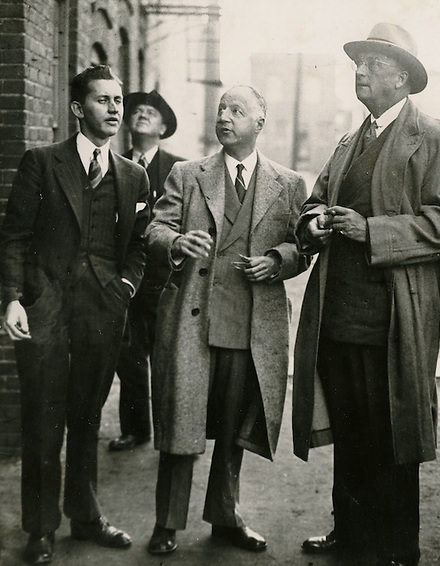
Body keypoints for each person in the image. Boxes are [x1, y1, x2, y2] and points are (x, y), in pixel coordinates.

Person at [292, 22, 440, 566]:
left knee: (391, 438)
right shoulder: (349, 141)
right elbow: (314, 202)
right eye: (357, 63)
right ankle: (350, 532)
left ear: (404, 78)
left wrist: (372, 230)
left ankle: (394, 549)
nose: (360, 71)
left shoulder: (433, 139)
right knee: (350, 433)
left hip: (394, 320)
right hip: (339, 316)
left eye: (373, 63)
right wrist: (313, 224)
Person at [144, 84, 308, 556]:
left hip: (250, 326)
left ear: (260, 122)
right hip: (194, 321)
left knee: (234, 427)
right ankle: (167, 522)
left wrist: (277, 260)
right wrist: (175, 243)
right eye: (221, 109)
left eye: (237, 110)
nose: (225, 116)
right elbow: (156, 227)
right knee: (182, 425)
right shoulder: (187, 173)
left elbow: (304, 250)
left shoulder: (288, 183)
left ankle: (225, 516)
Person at [0, 64, 150, 565]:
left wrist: (125, 288)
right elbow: (16, 237)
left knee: (87, 417)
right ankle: (40, 528)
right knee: (44, 419)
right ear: (77, 108)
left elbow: (139, 247)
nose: (114, 109)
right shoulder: (42, 163)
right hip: (46, 308)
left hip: (102, 312)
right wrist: (15, 298)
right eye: (103, 100)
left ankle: (85, 515)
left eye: (118, 100)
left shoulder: (133, 174)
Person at [108, 90, 186, 452]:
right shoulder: (112, 163)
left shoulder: (179, 169)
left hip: (166, 279)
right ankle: (136, 428)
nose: (140, 115)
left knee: (169, 358)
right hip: (126, 278)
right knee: (129, 355)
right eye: (136, 111)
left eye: (150, 113)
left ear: (164, 126)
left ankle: (173, 433)